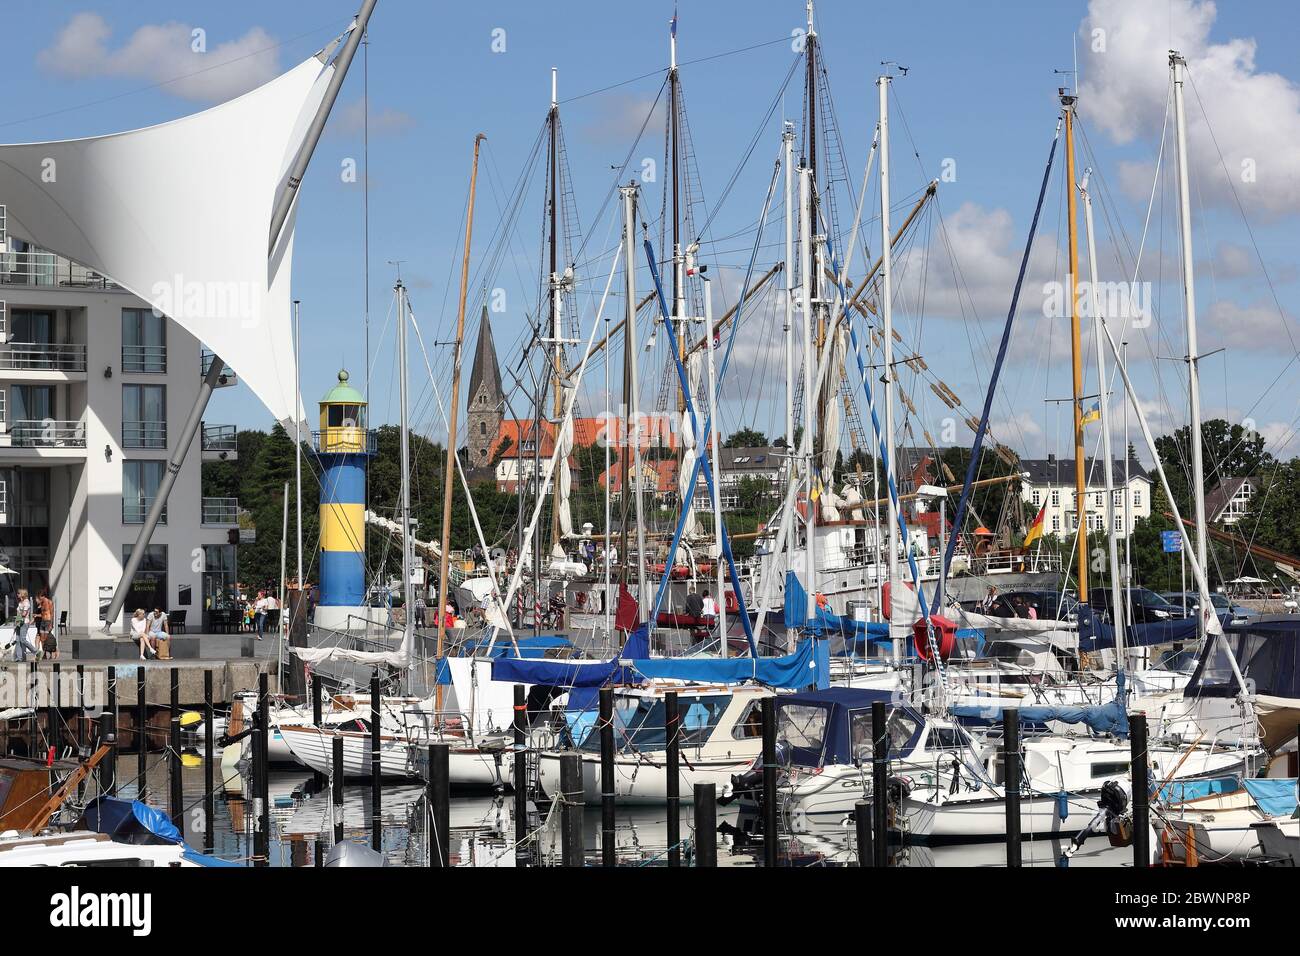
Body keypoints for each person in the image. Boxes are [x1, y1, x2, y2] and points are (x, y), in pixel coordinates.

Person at [12, 588, 38, 661]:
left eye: (18, 593)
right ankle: (19, 658)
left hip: (24, 623)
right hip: (18, 622)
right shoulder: (20, 602)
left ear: (22, 594)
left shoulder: (26, 602)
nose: (17, 594)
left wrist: (17, 617)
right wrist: (16, 621)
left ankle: (35, 651)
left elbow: (24, 614)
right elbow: (20, 613)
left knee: (22, 639)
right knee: (17, 640)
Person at [35, 587, 56, 660]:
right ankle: (44, 654)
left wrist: (51, 624)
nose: (39, 598)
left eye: (40, 597)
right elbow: (42, 613)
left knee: (47, 638)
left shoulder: (49, 602)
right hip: (42, 622)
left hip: (47, 621)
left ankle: (50, 652)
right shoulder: (41, 603)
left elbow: (52, 613)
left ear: (43, 596)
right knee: (42, 638)